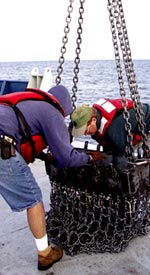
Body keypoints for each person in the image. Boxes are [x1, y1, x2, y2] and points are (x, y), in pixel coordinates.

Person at [0, 85, 104, 271]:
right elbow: (66, 158)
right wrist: (88, 158)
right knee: (33, 199)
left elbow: (25, 135)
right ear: (64, 106)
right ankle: (45, 254)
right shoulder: (53, 112)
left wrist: (43, 156)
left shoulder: (32, 103)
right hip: (3, 146)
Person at [71, 98, 150, 156]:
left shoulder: (112, 130)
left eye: (86, 130)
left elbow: (122, 155)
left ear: (93, 120)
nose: (85, 134)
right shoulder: (97, 116)